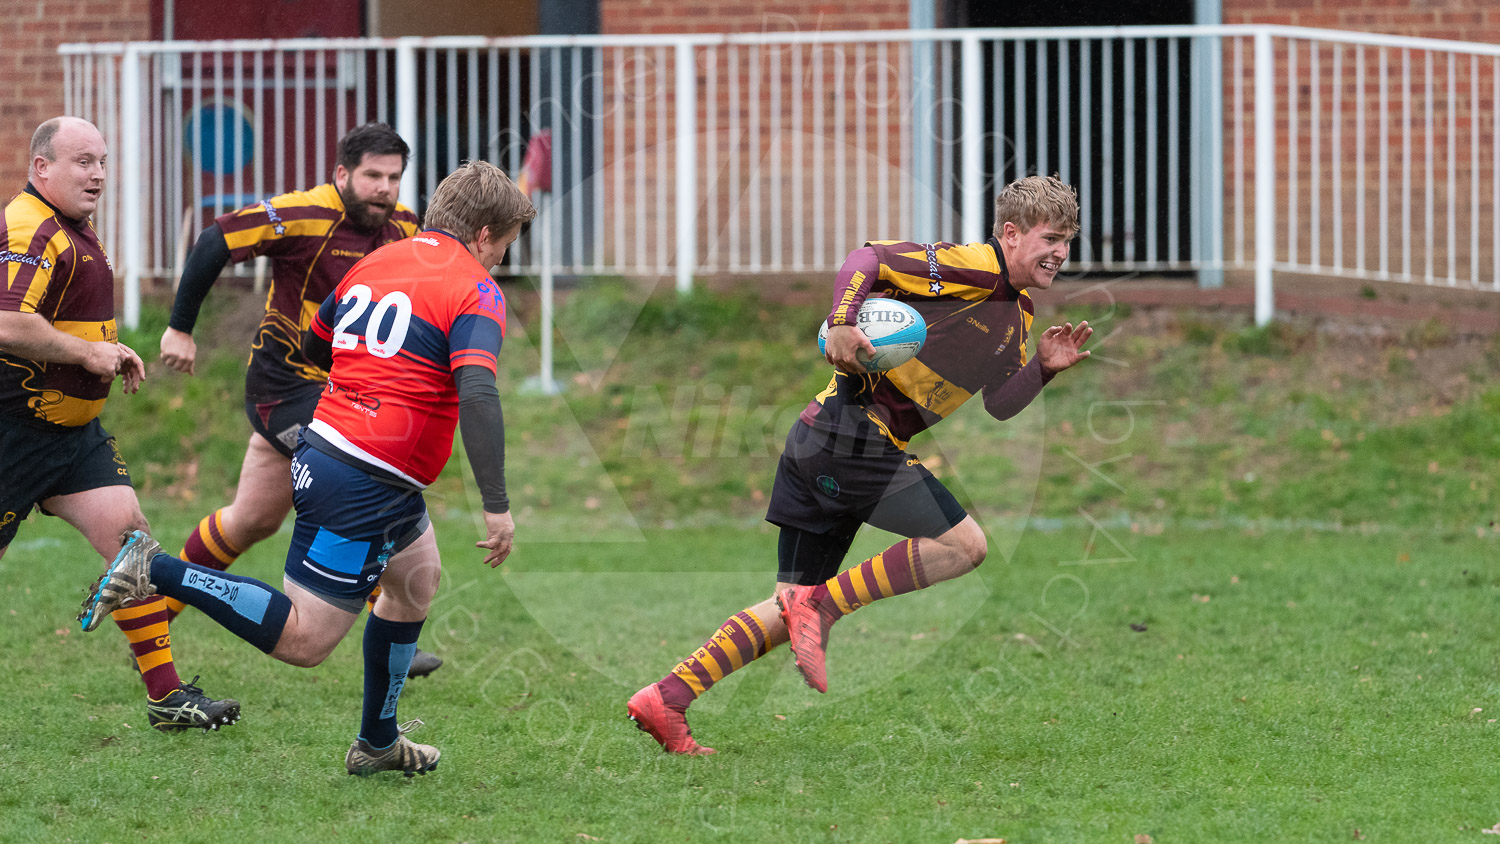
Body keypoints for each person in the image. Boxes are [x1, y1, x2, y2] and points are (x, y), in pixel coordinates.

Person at [80, 160, 535, 776]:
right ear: (483, 235)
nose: (501, 260)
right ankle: (151, 568)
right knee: (305, 640)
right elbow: (478, 393)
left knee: (415, 582)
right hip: (363, 479)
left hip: (354, 462)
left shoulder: (376, 262)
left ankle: (377, 743)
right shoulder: (475, 289)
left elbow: (317, 344)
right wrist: (497, 506)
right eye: (504, 245)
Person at [627, 174, 1093, 754]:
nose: (1060, 253)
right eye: (1051, 238)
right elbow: (867, 259)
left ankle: (666, 698)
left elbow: (999, 403)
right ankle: (823, 607)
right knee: (965, 547)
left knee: (785, 609)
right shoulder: (973, 267)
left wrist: (1042, 369)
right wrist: (845, 319)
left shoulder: (1017, 314)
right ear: (1012, 234)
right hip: (850, 435)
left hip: (820, 439)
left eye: (1067, 241)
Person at [152, 123, 443, 678]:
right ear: (341, 174)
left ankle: (150, 613)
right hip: (283, 388)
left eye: (394, 178)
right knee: (366, 474)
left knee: (250, 520)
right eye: (372, 176)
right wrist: (180, 328)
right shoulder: (304, 213)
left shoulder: (405, 227)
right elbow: (216, 239)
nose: (384, 189)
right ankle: (390, 621)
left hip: (340, 393)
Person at [0, 116, 239, 730]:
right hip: (13, 434)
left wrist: (106, 349)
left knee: (132, 542)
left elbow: (65, 323)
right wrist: (87, 353)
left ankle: (167, 698)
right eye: (83, 162)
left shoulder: (71, 227)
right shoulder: (29, 226)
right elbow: (7, 322)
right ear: (41, 167)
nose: (98, 174)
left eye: (102, 161)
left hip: (70, 439)